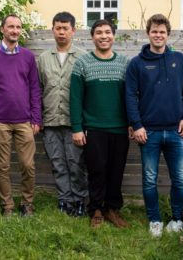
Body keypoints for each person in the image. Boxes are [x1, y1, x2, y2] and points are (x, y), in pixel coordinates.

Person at [125, 14, 183, 237]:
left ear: (168, 34)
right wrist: (136, 125)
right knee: (149, 179)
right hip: (149, 132)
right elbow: (130, 96)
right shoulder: (136, 63)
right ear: (148, 33)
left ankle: (176, 219)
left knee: (180, 180)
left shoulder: (180, 60)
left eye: (162, 31)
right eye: (154, 31)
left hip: (176, 130)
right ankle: (154, 220)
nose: (158, 35)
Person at [0, 15, 42, 217]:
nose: (14, 30)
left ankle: (27, 203)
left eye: (18, 27)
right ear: (2, 29)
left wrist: (36, 118)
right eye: (10, 27)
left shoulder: (28, 57)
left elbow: (35, 88)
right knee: (2, 167)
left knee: (28, 165)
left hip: (25, 121)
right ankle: (7, 206)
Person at [70, 19, 130, 229]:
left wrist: (132, 123)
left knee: (116, 171)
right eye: (99, 33)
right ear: (92, 37)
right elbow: (75, 98)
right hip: (93, 129)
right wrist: (77, 128)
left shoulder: (124, 63)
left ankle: (112, 209)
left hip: (120, 128)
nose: (103, 36)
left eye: (107, 32)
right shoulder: (82, 63)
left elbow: (130, 97)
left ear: (114, 35)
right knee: (96, 171)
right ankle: (96, 209)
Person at [37, 12, 88, 216]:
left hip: (74, 123)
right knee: (58, 164)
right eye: (58, 28)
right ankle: (64, 200)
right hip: (50, 121)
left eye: (65, 28)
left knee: (76, 164)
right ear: (52, 30)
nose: (61, 32)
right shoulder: (42, 59)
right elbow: (38, 89)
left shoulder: (83, 57)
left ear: (73, 31)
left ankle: (79, 200)